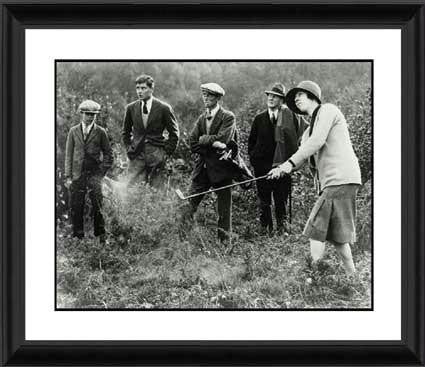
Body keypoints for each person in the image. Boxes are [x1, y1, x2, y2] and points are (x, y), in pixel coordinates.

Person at [268, 81, 362, 275]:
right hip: (338, 182)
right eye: (294, 97)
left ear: (313, 96)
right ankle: (354, 278)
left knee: (314, 231)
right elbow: (303, 156)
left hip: (340, 178)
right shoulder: (307, 132)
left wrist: (289, 164)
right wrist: (280, 168)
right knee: (339, 239)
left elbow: (317, 142)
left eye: (300, 94)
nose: (296, 98)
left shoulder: (328, 110)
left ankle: (314, 277)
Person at [248, 82, 305, 235]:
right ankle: (265, 230)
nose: (271, 99)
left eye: (276, 97)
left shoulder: (289, 118)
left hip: (283, 167)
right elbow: (251, 143)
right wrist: (255, 162)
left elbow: (297, 139)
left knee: (281, 200)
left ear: (282, 101)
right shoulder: (259, 119)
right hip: (262, 168)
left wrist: (289, 164)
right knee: (264, 202)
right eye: (270, 96)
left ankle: (282, 230)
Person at [185, 82, 238, 244]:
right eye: (204, 95)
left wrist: (204, 140)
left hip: (222, 169)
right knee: (188, 205)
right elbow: (192, 143)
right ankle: (182, 241)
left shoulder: (228, 117)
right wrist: (210, 145)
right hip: (202, 170)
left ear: (217, 98)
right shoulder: (202, 118)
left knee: (223, 211)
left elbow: (224, 139)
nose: (206, 98)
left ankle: (224, 245)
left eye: (209, 95)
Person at [64, 99, 113, 244]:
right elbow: (68, 155)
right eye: (87, 114)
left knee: (98, 204)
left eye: (93, 114)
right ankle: (78, 237)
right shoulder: (73, 131)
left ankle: (101, 236)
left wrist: (100, 173)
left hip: (94, 174)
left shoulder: (100, 132)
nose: (90, 117)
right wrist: (68, 176)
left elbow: (109, 155)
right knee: (76, 205)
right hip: (77, 175)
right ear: (81, 114)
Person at [122, 74, 179, 187]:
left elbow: (174, 134)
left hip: (157, 156)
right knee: (133, 191)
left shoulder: (164, 108)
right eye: (138, 88)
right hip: (137, 156)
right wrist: (129, 150)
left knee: (157, 192)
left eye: (143, 88)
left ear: (151, 89)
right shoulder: (131, 108)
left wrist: (165, 153)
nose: (140, 91)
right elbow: (125, 132)